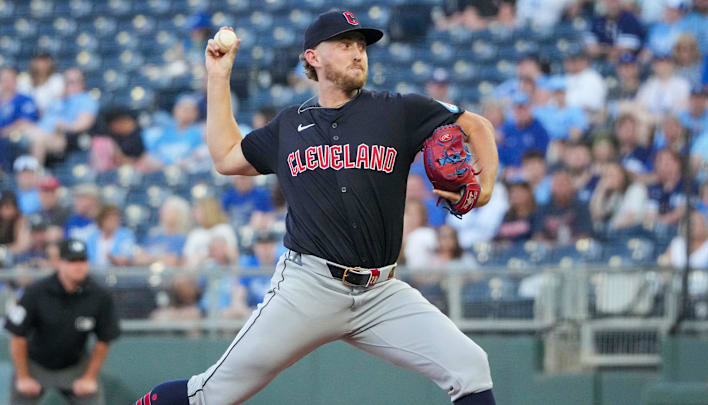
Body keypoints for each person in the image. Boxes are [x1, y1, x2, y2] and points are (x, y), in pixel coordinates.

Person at [137, 10, 499, 405]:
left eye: (362, 45)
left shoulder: (399, 110)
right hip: (308, 288)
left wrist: (486, 187)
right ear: (313, 57)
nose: (358, 53)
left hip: (381, 292)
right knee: (210, 394)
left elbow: (477, 126)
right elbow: (226, 157)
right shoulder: (289, 126)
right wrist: (218, 76)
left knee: (471, 368)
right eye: (345, 44)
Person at [4, 238, 120, 405]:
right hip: (35, 364)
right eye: (72, 260)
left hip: (75, 365)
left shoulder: (99, 296)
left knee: (92, 397)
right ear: (59, 262)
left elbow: (104, 339)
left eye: (82, 260)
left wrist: (89, 377)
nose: (78, 266)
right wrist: (23, 377)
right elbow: (17, 335)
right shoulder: (36, 292)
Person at [25, 68, 99, 165]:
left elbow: (83, 124)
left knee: (38, 139)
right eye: (67, 81)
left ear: (83, 83)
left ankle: (34, 175)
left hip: (61, 138)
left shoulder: (86, 100)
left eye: (74, 81)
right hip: (39, 132)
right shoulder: (57, 101)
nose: (70, 85)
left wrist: (62, 126)